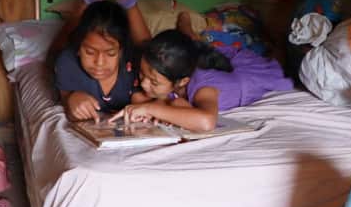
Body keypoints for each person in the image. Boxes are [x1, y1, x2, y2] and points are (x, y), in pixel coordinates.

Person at [114, 28, 293, 133]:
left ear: (182, 81)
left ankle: (281, 45)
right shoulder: (173, 72)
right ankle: (187, 29)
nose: (144, 84)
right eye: (142, 75)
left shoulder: (204, 89)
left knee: (277, 61)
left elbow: (206, 122)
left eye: (153, 82)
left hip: (251, 75)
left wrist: (150, 108)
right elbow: (173, 101)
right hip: (214, 62)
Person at [52, 0, 151, 121]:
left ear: (121, 51)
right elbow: (65, 101)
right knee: (55, 53)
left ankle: (129, 2)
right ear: (79, 48)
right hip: (67, 51)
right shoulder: (67, 61)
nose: (99, 62)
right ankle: (89, 0)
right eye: (90, 52)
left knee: (150, 51)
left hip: (137, 55)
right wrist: (71, 98)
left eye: (110, 53)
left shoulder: (135, 65)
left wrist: (147, 105)